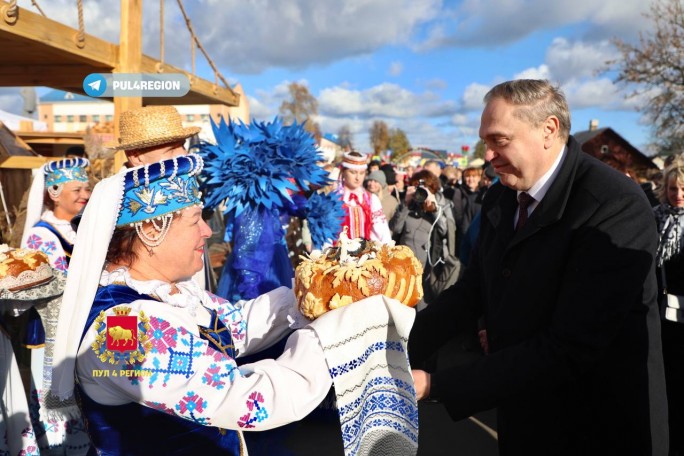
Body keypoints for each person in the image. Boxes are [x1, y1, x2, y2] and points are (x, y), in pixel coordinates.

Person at [409, 79, 668, 455]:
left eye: (499, 140)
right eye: (485, 141)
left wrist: (435, 385)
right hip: (524, 413)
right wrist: (394, 344)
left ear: (549, 129)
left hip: (596, 425)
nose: (489, 155)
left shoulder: (612, 204)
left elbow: (569, 347)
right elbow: (473, 291)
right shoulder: (504, 194)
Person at [20, 157, 92, 454]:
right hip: (55, 333)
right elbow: (47, 287)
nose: (85, 195)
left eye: (86, 189)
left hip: (79, 326)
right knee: (59, 403)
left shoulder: (78, 227)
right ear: (54, 192)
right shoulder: (41, 235)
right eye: (77, 190)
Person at [654, 162, 684, 455]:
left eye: (683, 189)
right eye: (673, 188)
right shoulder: (656, 217)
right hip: (662, 310)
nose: (678, 195)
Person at [106, 105, 200, 167]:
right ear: (136, 157)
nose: (185, 154)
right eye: (171, 149)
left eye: (183, 146)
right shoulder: (112, 194)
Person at [337, 151, 391, 243]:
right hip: (337, 255)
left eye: (361, 173)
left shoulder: (371, 200)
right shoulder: (334, 199)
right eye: (353, 172)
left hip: (365, 256)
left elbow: (383, 233)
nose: (358, 177)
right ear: (343, 172)